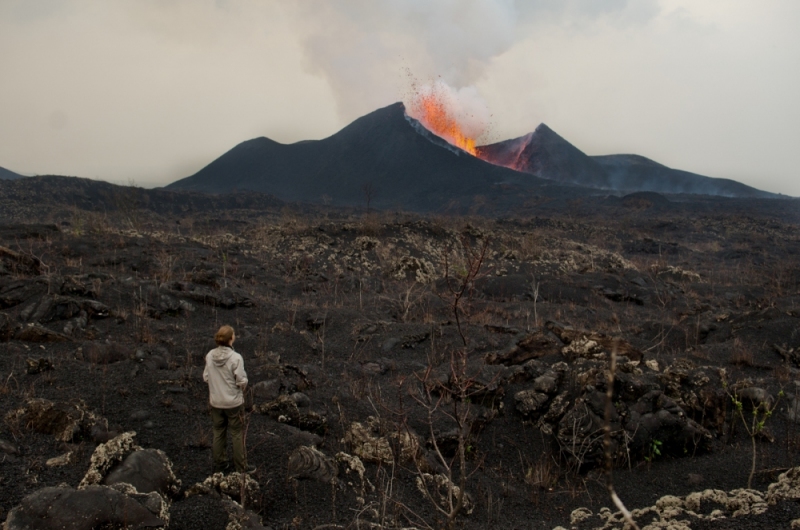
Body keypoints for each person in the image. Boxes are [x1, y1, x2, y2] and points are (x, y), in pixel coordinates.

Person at [203, 325, 255, 474]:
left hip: (216, 401)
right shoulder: (236, 357)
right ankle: (241, 467)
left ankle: (220, 465)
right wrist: (240, 388)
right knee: (237, 433)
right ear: (231, 338)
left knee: (218, 431)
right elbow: (241, 380)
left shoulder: (210, 355)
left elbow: (206, 377)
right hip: (233, 402)